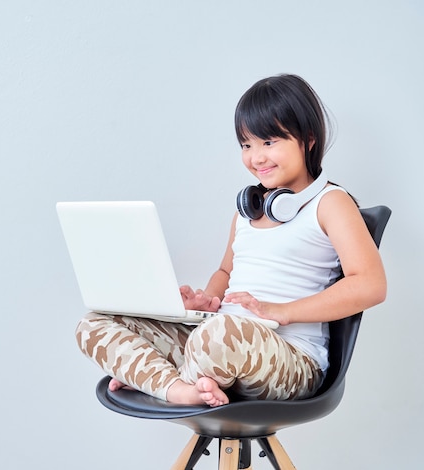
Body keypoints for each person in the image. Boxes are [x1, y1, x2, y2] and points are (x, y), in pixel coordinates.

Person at [75, 74, 387, 407]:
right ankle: (181, 389)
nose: (256, 157)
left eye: (269, 142)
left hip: (291, 359)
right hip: (218, 340)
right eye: (247, 145)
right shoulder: (248, 211)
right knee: (94, 323)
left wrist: (281, 312)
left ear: (308, 139)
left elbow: (370, 285)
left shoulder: (330, 203)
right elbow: (225, 273)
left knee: (217, 336)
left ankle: (158, 375)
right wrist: (205, 302)